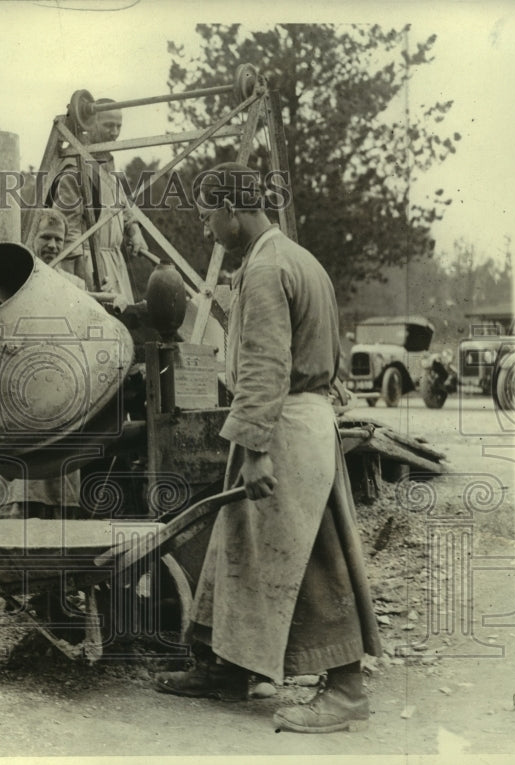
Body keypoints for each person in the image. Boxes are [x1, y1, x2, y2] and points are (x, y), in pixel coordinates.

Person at [154, 163, 382, 733]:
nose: (207, 226)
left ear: (234, 210)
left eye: (209, 215)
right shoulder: (297, 258)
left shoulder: (264, 270)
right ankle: (228, 668)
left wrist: (255, 448)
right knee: (237, 549)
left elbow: (265, 365)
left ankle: (347, 689)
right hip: (298, 420)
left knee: (308, 557)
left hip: (282, 427)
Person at [0, 209, 81, 521]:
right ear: (30, 239)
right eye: (45, 237)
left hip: (63, 390)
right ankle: (17, 520)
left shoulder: (75, 286)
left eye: (58, 239)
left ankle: (61, 526)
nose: (53, 245)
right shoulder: (10, 284)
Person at [48, 99, 147, 301]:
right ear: (90, 124)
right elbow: (69, 234)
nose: (115, 132)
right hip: (91, 265)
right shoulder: (75, 167)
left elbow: (121, 201)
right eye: (108, 125)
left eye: (119, 126)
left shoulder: (107, 162)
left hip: (115, 263)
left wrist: (134, 228)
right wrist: (84, 284)